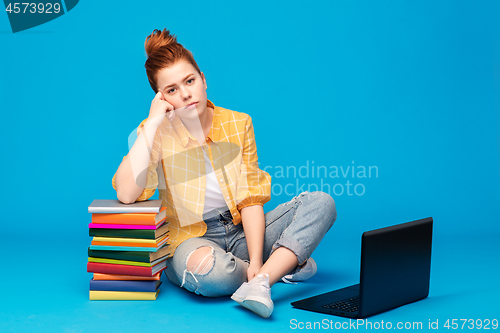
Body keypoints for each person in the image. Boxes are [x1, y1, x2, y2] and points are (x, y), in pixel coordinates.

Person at [112, 28, 337, 318]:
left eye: (189, 81)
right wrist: (153, 124)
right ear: (162, 98)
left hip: (243, 230)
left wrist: (256, 259)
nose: (185, 94)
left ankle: (262, 279)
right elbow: (127, 193)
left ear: (203, 79)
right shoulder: (156, 132)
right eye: (172, 90)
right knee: (210, 274)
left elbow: (250, 198)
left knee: (322, 203)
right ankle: (285, 264)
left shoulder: (238, 123)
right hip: (191, 241)